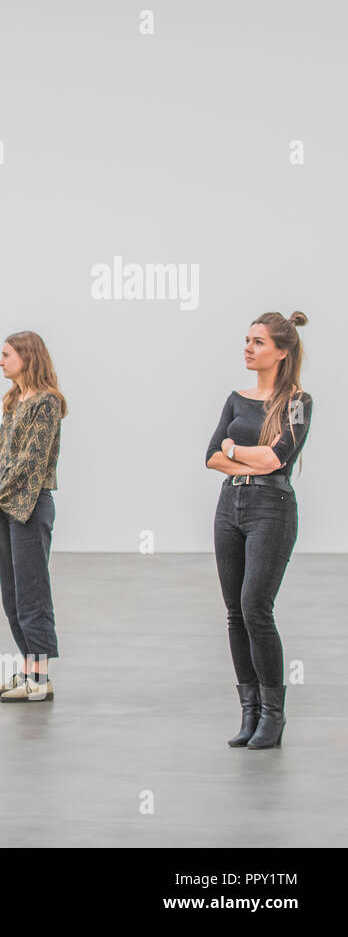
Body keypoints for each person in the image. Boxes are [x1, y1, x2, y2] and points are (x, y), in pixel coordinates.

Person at [205, 311, 311, 750]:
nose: (248, 348)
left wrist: (234, 447)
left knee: (255, 607)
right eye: (247, 340)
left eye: (259, 342)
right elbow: (211, 456)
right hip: (230, 505)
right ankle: (248, 712)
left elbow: (275, 460)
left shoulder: (298, 402)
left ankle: (273, 714)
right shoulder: (235, 398)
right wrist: (237, 453)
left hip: (272, 507)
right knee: (234, 611)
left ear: (281, 352)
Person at [0, 331, 67, 703]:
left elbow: (31, 460)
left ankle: (40, 678)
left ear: (27, 357)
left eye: (6, 354)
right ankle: (27, 670)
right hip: (8, 506)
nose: (0, 361)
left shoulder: (46, 403)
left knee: (32, 593)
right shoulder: (15, 401)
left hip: (30, 506)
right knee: (12, 594)